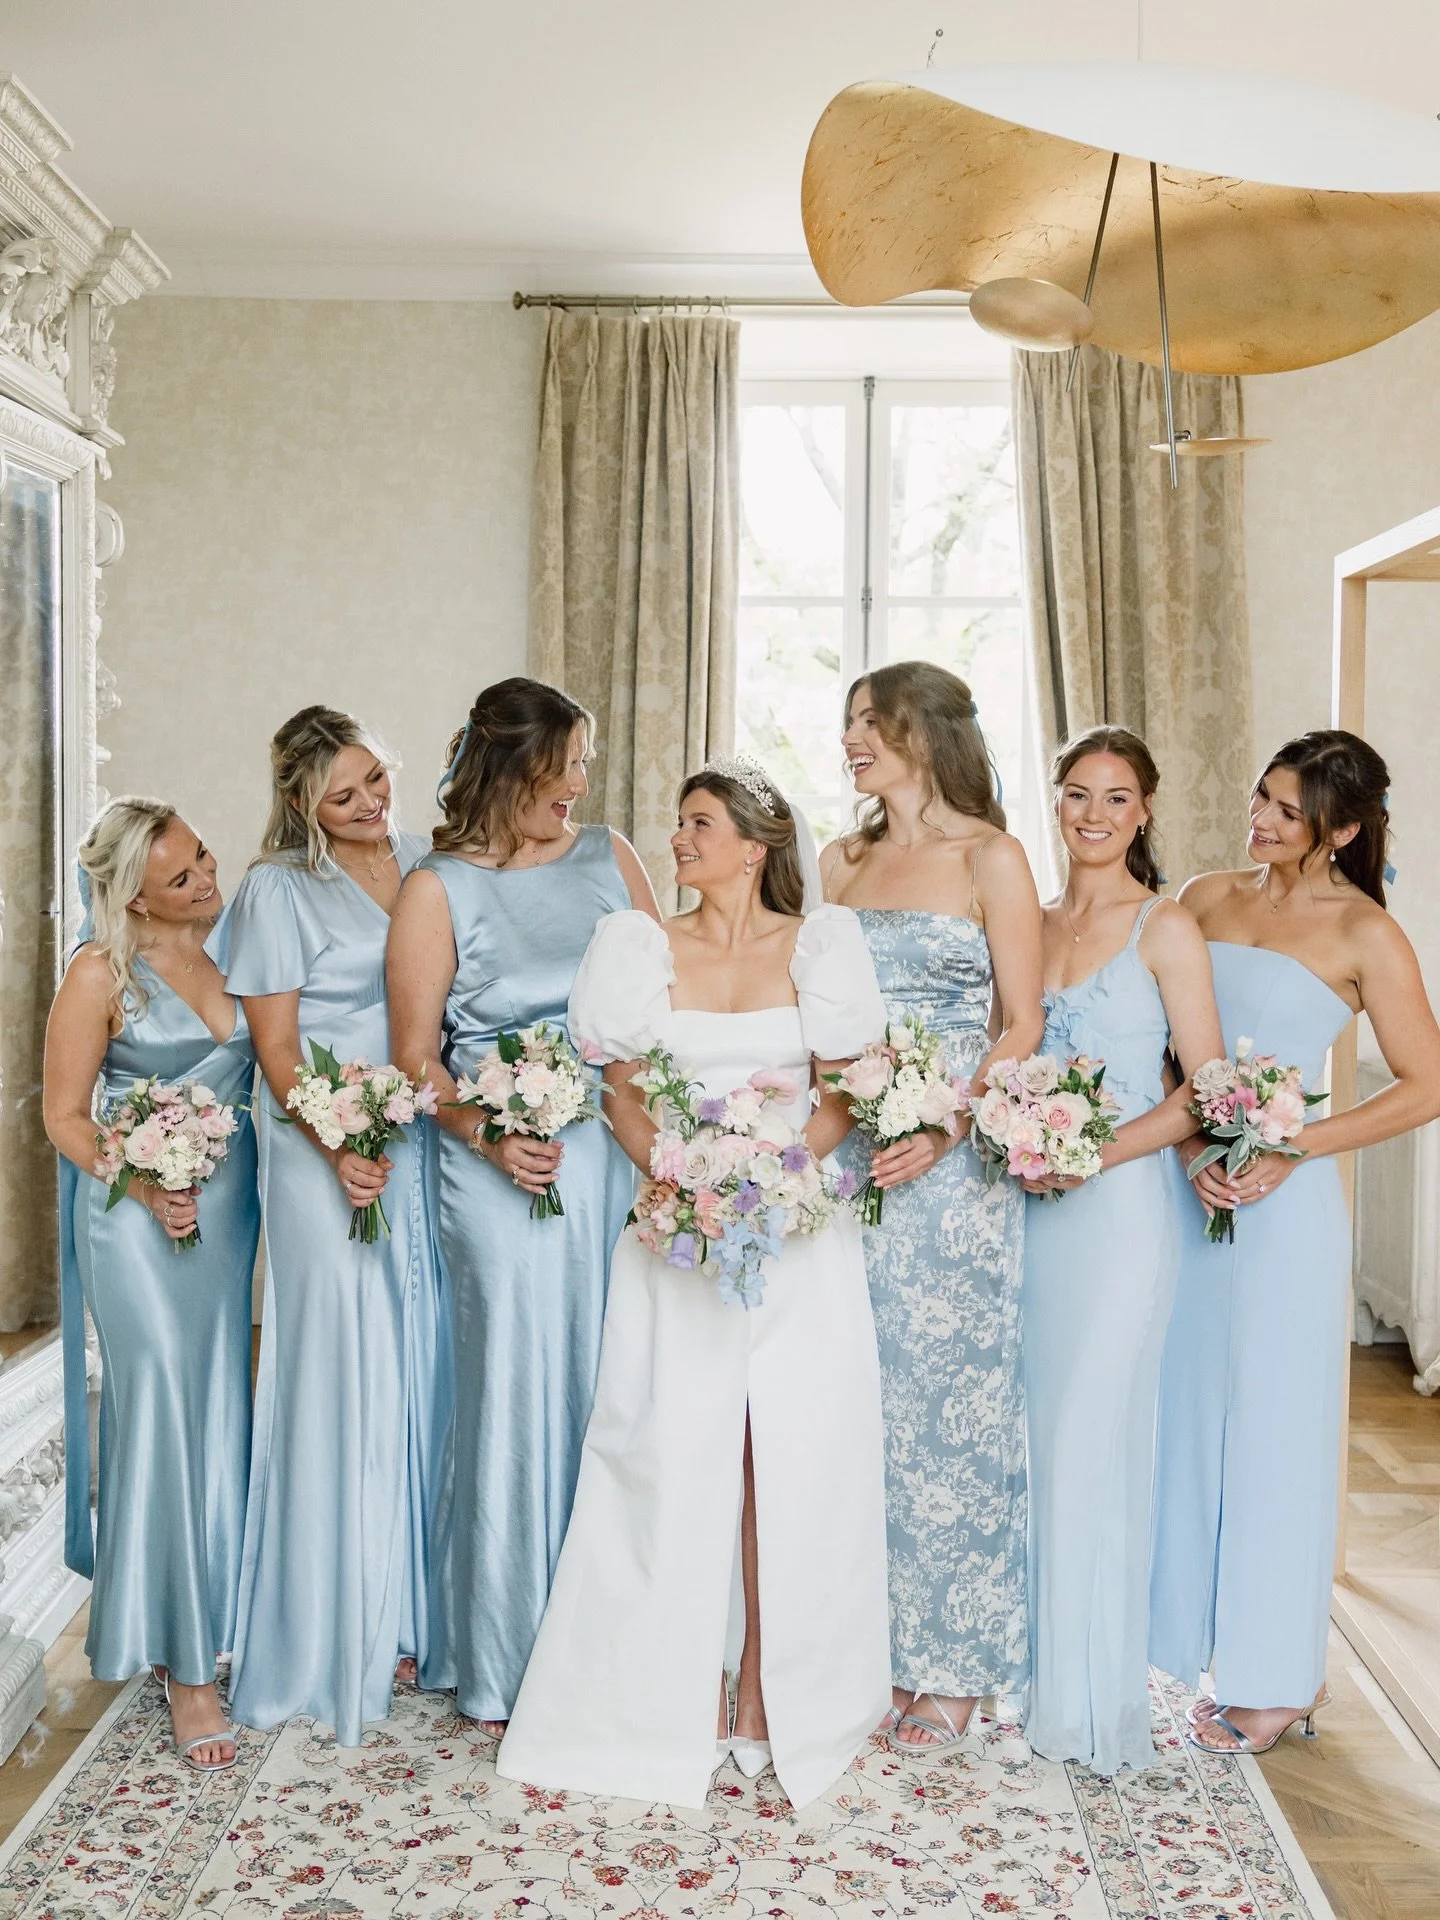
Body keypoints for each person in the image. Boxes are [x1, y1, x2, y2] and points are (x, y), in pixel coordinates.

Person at [497, 757, 891, 1809]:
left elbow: (852, 1086)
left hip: (798, 1236)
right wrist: (684, 1183)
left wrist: (771, 1184)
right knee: (664, 1451)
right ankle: (653, 1702)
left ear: (754, 847)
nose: (678, 839)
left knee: (785, 1460)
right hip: (678, 1231)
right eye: (678, 822)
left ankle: (767, 1693)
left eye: (699, 823)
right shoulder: (637, 945)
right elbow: (622, 1093)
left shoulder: (822, 946)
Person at [1150, 729, 1440, 1755]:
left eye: (1287, 811)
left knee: (1276, 1429)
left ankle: (1276, 1682)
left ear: (1344, 831)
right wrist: (1183, 1146)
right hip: (1181, 1189)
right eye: (1260, 798)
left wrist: (1293, 1148)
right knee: (1178, 1413)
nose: (1260, 821)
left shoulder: (1366, 933)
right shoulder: (1200, 896)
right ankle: (1172, 1641)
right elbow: (1158, 1041)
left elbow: (1429, 1083)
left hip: (1286, 1211)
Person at [387, 676, 660, 1735]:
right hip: (493, 1173)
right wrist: (492, 1134)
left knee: (616, 1383)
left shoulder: (611, 857)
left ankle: (619, 1642)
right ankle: (505, 1654)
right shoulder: (437, 888)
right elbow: (418, 1060)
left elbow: (657, 1008)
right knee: (511, 1390)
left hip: (607, 1162)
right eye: (569, 764)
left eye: (585, 764)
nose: (583, 784)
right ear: (514, 769)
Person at [212, 707, 448, 1746]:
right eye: (343, 795)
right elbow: (276, 1050)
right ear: (302, 802)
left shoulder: (425, 862)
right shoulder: (275, 888)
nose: (368, 807)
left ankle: (406, 1616)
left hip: (420, 1140)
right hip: (319, 1149)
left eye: (376, 781)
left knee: (415, 1359)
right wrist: (339, 1142)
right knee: (338, 1365)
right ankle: (323, 1630)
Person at [823, 661, 1044, 1755]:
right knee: (849, 1400)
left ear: (925, 732)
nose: (854, 739)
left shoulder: (991, 857)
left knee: (947, 1406)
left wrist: (947, 1121)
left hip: (952, 1171)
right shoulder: (840, 859)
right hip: (845, 1157)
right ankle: (860, 1645)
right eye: (850, 723)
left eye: (872, 722)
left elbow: (1022, 1021)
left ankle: (954, 1662)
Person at [1019, 728, 1224, 1771]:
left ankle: (1093, 1700)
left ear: (1144, 811)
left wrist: (1092, 1153)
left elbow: (1208, 1088)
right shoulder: (1035, 922)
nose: (1093, 815)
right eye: (1076, 795)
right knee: (1038, 1441)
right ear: (1054, 803)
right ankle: (1034, 1679)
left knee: (1096, 1441)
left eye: (1116, 797)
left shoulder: (1166, 926)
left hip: (1122, 1214)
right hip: (1029, 1217)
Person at [44, 798, 259, 1771]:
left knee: (219, 1411)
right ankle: (185, 1672)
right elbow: (64, 1116)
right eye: (181, 877)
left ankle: (216, 1610)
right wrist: (144, 1176)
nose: (207, 880)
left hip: (229, 1220)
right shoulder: (99, 973)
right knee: (165, 1410)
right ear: (134, 892)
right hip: (135, 1225)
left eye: (205, 858)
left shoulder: (241, 946)